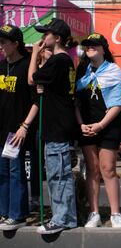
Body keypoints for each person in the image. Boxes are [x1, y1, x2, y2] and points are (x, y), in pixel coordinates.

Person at [28, 18, 78, 234]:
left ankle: (60, 219)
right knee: (62, 175)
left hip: (57, 127)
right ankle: (68, 218)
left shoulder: (57, 60)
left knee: (58, 176)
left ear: (57, 38)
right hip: (61, 124)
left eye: (46, 34)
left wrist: (33, 54)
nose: (42, 38)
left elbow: (31, 78)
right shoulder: (65, 60)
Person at [75, 33, 121, 228]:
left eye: (95, 45)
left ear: (104, 49)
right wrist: (81, 124)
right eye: (88, 45)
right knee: (92, 170)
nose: (90, 47)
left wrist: (101, 125)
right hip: (86, 126)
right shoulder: (81, 70)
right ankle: (94, 213)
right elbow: (76, 103)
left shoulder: (114, 70)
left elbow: (119, 103)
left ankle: (116, 214)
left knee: (108, 169)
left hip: (108, 126)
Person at [0, 25, 38, 231]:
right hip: (1, 130)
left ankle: (18, 215)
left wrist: (25, 126)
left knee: (15, 172)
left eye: (4, 42)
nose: (1, 46)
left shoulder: (26, 67)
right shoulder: (1, 66)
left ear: (16, 44)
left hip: (16, 131)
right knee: (2, 173)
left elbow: (36, 101)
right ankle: (4, 213)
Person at [28, 43, 53, 212]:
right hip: (34, 123)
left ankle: (51, 201)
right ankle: (34, 198)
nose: (50, 52)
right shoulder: (34, 69)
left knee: (50, 164)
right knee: (35, 163)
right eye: (47, 49)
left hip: (51, 121)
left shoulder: (57, 67)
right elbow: (30, 81)